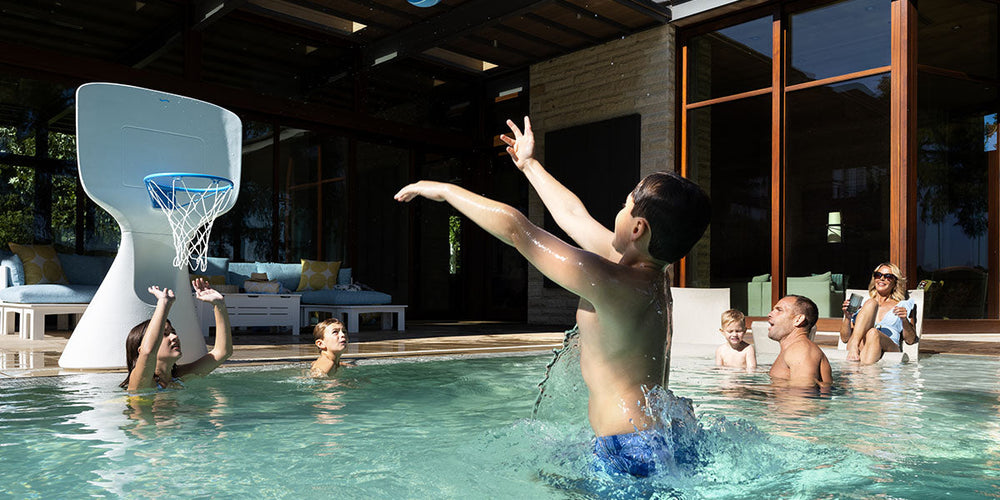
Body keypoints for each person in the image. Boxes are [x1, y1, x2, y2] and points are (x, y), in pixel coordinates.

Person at [394, 116, 711, 477]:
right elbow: (572, 215)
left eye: (625, 206)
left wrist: (446, 190)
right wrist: (529, 164)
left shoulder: (614, 282)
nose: (618, 213)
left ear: (638, 228)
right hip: (660, 438)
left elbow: (517, 230)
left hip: (629, 450)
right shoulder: (650, 279)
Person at [120, 278, 233, 391]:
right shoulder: (139, 382)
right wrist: (164, 303)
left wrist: (219, 304)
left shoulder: (178, 376)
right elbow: (148, 352)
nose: (174, 337)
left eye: (173, 332)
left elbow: (222, 352)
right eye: (164, 334)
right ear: (140, 350)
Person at [842, 262, 916, 364]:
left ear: (895, 282)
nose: (882, 278)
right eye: (878, 275)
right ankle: (865, 373)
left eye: (888, 276)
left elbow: (910, 340)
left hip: (889, 346)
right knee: (872, 304)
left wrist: (904, 320)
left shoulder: (903, 305)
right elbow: (845, 339)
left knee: (874, 333)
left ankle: (859, 376)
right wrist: (847, 318)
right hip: (859, 344)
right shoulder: (862, 304)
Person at [766, 295, 833, 388]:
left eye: (779, 310)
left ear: (798, 320)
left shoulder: (800, 349)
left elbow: (803, 395)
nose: (769, 314)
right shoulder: (793, 349)